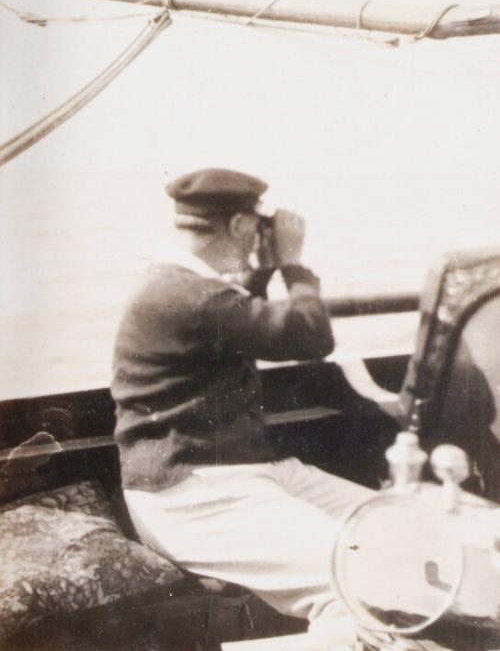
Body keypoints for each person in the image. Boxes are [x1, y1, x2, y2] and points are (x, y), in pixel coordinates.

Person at [111, 168, 373, 633]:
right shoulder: (187, 293)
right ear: (238, 226)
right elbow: (309, 336)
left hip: (242, 475)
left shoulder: (179, 283)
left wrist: (262, 268)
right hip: (192, 496)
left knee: (401, 533)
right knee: (357, 580)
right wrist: (292, 265)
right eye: (255, 228)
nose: (258, 238)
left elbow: (234, 319)